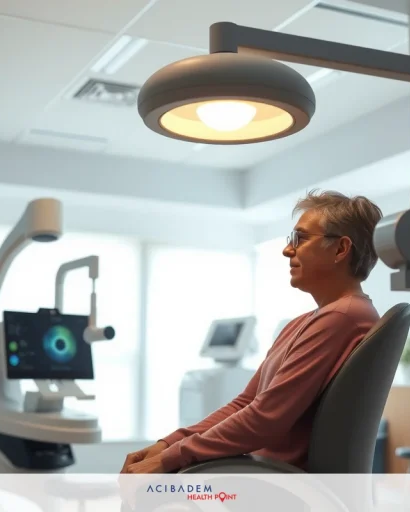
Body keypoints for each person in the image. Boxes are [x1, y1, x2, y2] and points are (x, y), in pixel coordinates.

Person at [121, 190, 384, 474]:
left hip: (276, 481)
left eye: (301, 239)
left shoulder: (343, 317)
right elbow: (245, 403)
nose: (287, 250)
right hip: (260, 472)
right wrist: (167, 444)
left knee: (151, 491)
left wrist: (169, 459)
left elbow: (264, 420)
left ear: (340, 249)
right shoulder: (307, 321)